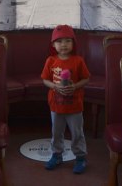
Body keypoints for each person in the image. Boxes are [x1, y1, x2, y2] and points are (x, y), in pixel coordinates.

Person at [41, 24, 90, 174]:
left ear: (73, 43)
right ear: (53, 44)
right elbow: (45, 80)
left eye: (68, 41)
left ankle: (81, 157)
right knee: (56, 132)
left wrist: (75, 86)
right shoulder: (50, 61)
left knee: (77, 133)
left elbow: (86, 78)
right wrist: (55, 86)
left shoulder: (78, 61)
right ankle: (56, 155)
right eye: (59, 41)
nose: (63, 45)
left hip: (75, 106)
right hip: (56, 106)